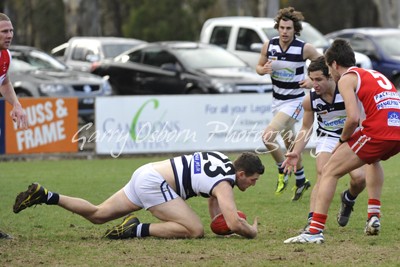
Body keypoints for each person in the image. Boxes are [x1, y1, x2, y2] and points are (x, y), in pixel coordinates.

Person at [284, 39, 400, 244]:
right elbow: (306, 128)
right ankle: (372, 214)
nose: (318, 82)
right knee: (366, 162)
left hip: (368, 130)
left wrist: (343, 140)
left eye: (327, 70)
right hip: (394, 128)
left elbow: (354, 118)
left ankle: (315, 231)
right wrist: (296, 150)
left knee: (331, 172)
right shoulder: (374, 74)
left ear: (334, 65)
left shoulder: (347, 79)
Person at [13, 151, 264, 239]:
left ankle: (46, 195)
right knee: (193, 230)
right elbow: (232, 222)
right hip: (155, 184)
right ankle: (135, 229)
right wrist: (249, 230)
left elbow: (214, 203)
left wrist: (216, 222)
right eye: (253, 180)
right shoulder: (224, 183)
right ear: (240, 173)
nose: (253, 184)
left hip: (147, 172)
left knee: (98, 214)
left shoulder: (222, 160)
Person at [282, 56, 366, 232]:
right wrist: (296, 152)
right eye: (312, 80)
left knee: (359, 179)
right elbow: (306, 128)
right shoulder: (310, 100)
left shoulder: (347, 91)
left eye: (319, 79)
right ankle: (312, 221)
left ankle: (349, 198)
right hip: (327, 138)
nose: (314, 84)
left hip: (350, 138)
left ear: (330, 76)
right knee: (323, 173)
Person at [256, 7, 321, 200]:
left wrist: (312, 81)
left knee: (267, 137)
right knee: (291, 145)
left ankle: (282, 171)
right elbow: (258, 67)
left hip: (296, 102)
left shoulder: (304, 48)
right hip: (277, 101)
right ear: (278, 28)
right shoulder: (269, 46)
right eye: (282, 28)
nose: (284, 32)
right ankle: (301, 180)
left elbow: (323, 64)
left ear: (295, 30)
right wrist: (263, 69)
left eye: (289, 28)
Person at [0, 13, 28, 239]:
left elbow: (5, 82)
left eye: (10, 31)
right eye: (4, 31)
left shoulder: (5, 56)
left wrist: (16, 104)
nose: (9, 35)